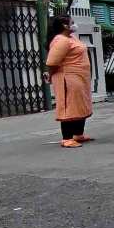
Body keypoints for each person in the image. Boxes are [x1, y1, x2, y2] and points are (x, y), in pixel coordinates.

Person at [45, 15, 94, 148]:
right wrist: (49, 76)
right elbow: (52, 62)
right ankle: (66, 138)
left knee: (80, 104)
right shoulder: (60, 40)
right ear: (64, 25)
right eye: (72, 22)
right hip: (68, 78)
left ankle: (78, 134)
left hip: (79, 77)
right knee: (69, 106)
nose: (74, 24)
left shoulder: (71, 38)